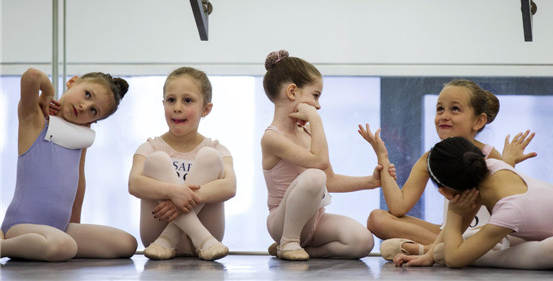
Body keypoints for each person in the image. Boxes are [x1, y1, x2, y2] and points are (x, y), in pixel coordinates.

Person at [360, 79, 536, 260]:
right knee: (377, 219)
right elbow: (398, 207)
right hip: (449, 231)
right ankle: (438, 249)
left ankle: (428, 249)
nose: (444, 115)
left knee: (505, 236)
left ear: (478, 121)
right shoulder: (430, 158)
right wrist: (383, 157)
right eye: (440, 109)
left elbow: (508, 202)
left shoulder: (489, 155)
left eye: (455, 109)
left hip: (485, 231)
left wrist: (508, 162)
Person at [261, 50, 392, 261]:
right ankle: (288, 241)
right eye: (315, 95)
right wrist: (315, 118)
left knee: (363, 241)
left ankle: (306, 250)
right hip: (282, 222)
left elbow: (329, 180)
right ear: (292, 92)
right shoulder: (271, 138)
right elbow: (319, 164)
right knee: (315, 176)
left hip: (315, 219)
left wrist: (371, 182)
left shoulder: (308, 132)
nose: (318, 106)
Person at [0, 68, 137, 261]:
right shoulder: (35, 119)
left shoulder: (79, 138)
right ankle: (3, 246)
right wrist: (47, 93)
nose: (84, 106)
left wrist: (76, 226)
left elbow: (78, 181)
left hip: (60, 228)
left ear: (93, 121)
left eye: (93, 111)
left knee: (127, 243)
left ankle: (59, 245)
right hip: (20, 226)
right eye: (87, 94)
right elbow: (31, 76)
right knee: (62, 245)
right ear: (72, 82)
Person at [412, 136, 553, 269]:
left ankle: (481, 258)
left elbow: (453, 259)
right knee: (474, 234)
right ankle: (446, 250)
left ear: (445, 192)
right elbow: (463, 223)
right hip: (532, 236)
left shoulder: (510, 209)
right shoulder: (490, 168)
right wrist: (430, 256)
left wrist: (454, 212)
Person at [128, 67, 236, 261]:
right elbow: (134, 183)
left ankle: (171, 239)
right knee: (157, 160)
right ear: (163, 104)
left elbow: (230, 186)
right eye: (171, 100)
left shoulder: (217, 148)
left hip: (208, 235)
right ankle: (195, 238)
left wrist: (184, 197)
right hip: (156, 237)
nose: (177, 107)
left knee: (210, 156)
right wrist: (172, 192)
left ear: (206, 109)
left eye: (187, 100)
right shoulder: (150, 147)